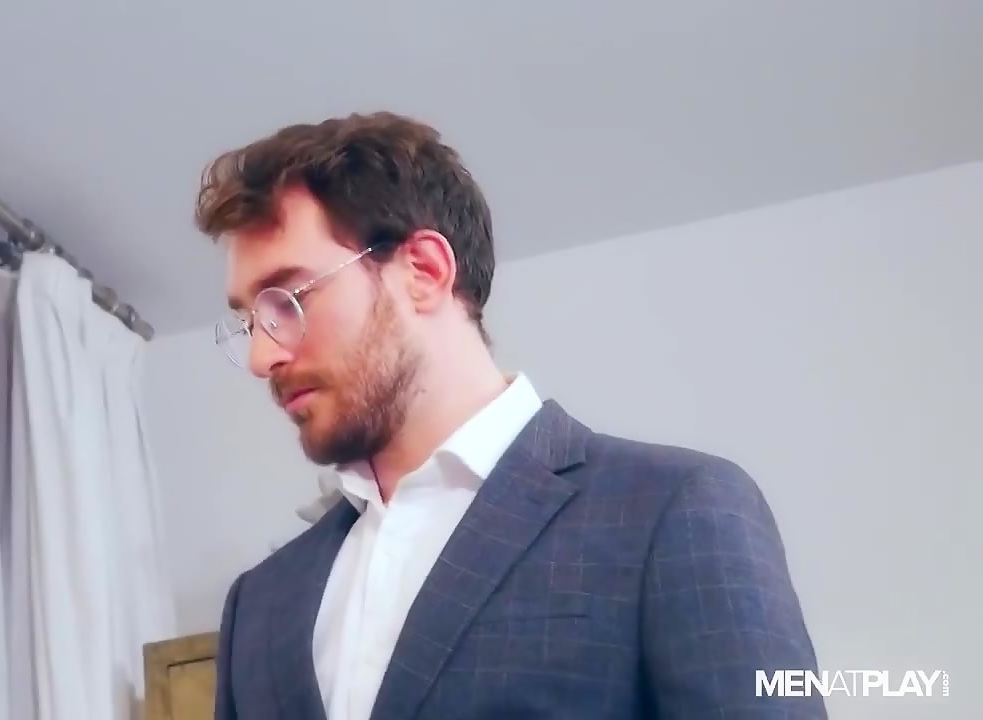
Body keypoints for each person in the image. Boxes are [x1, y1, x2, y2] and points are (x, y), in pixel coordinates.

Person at [193, 111, 826, 719]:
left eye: (287, 299)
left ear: (424, 271)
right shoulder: (259, 605)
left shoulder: (675, 509)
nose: (261, 358)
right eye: (249, 321)